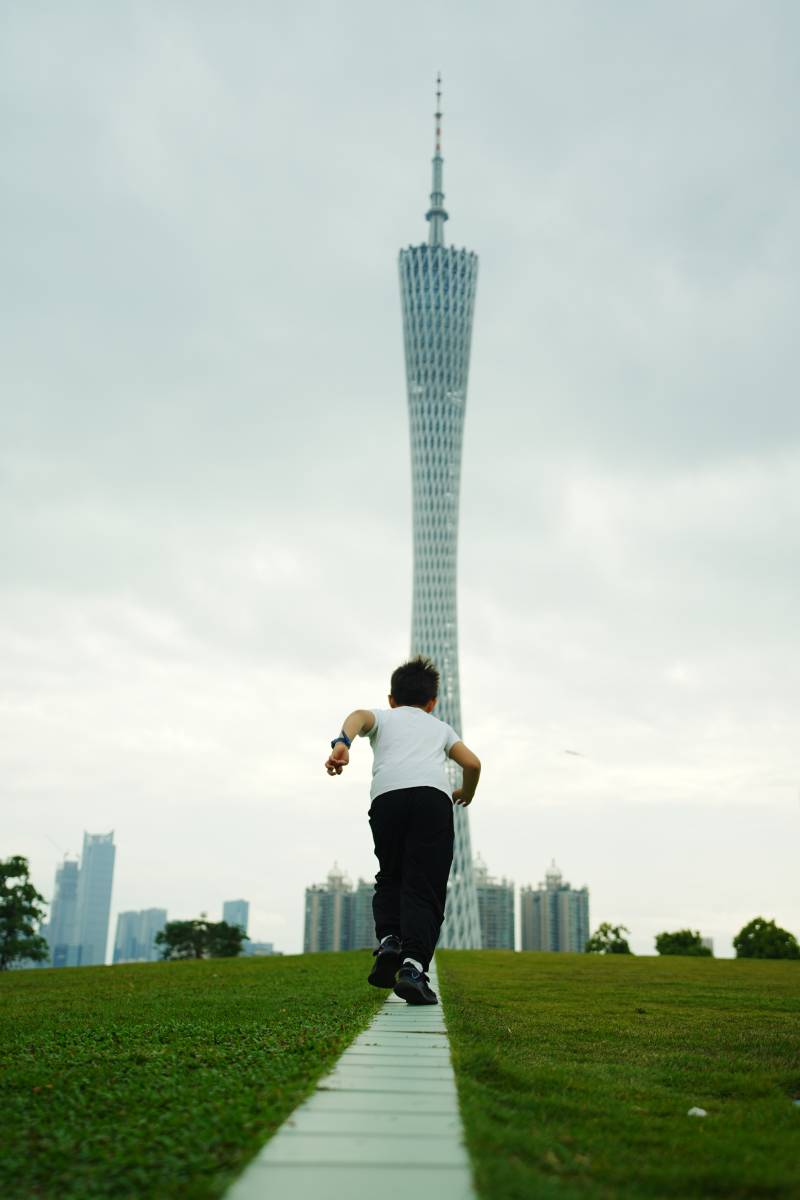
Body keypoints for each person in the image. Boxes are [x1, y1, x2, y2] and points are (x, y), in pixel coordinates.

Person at [324, 656, 481, 1005]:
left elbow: (358, 716)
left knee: (390, 875)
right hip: (432, 800)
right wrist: (466, 793)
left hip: (387, 798)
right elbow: (472, 764)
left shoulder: (383, 717)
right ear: (432, 702)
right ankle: (412, 968)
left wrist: (342, 743)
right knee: (425, 886)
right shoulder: (441, 728)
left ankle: (390, 941)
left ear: (391, 699)